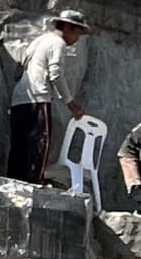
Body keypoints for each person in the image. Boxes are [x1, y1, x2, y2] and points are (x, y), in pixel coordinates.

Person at [7, 11, 90, 183]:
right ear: (67, 27)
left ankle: (14, 182)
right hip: (38, 97)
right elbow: (56, 74)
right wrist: (70, 103)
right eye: (77, 33)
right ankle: (34, 183)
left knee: (19, 147)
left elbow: (19, 68)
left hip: (20, 99)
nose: (76, 39)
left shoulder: (39, 40)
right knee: (39, 145)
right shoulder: (57, 43)